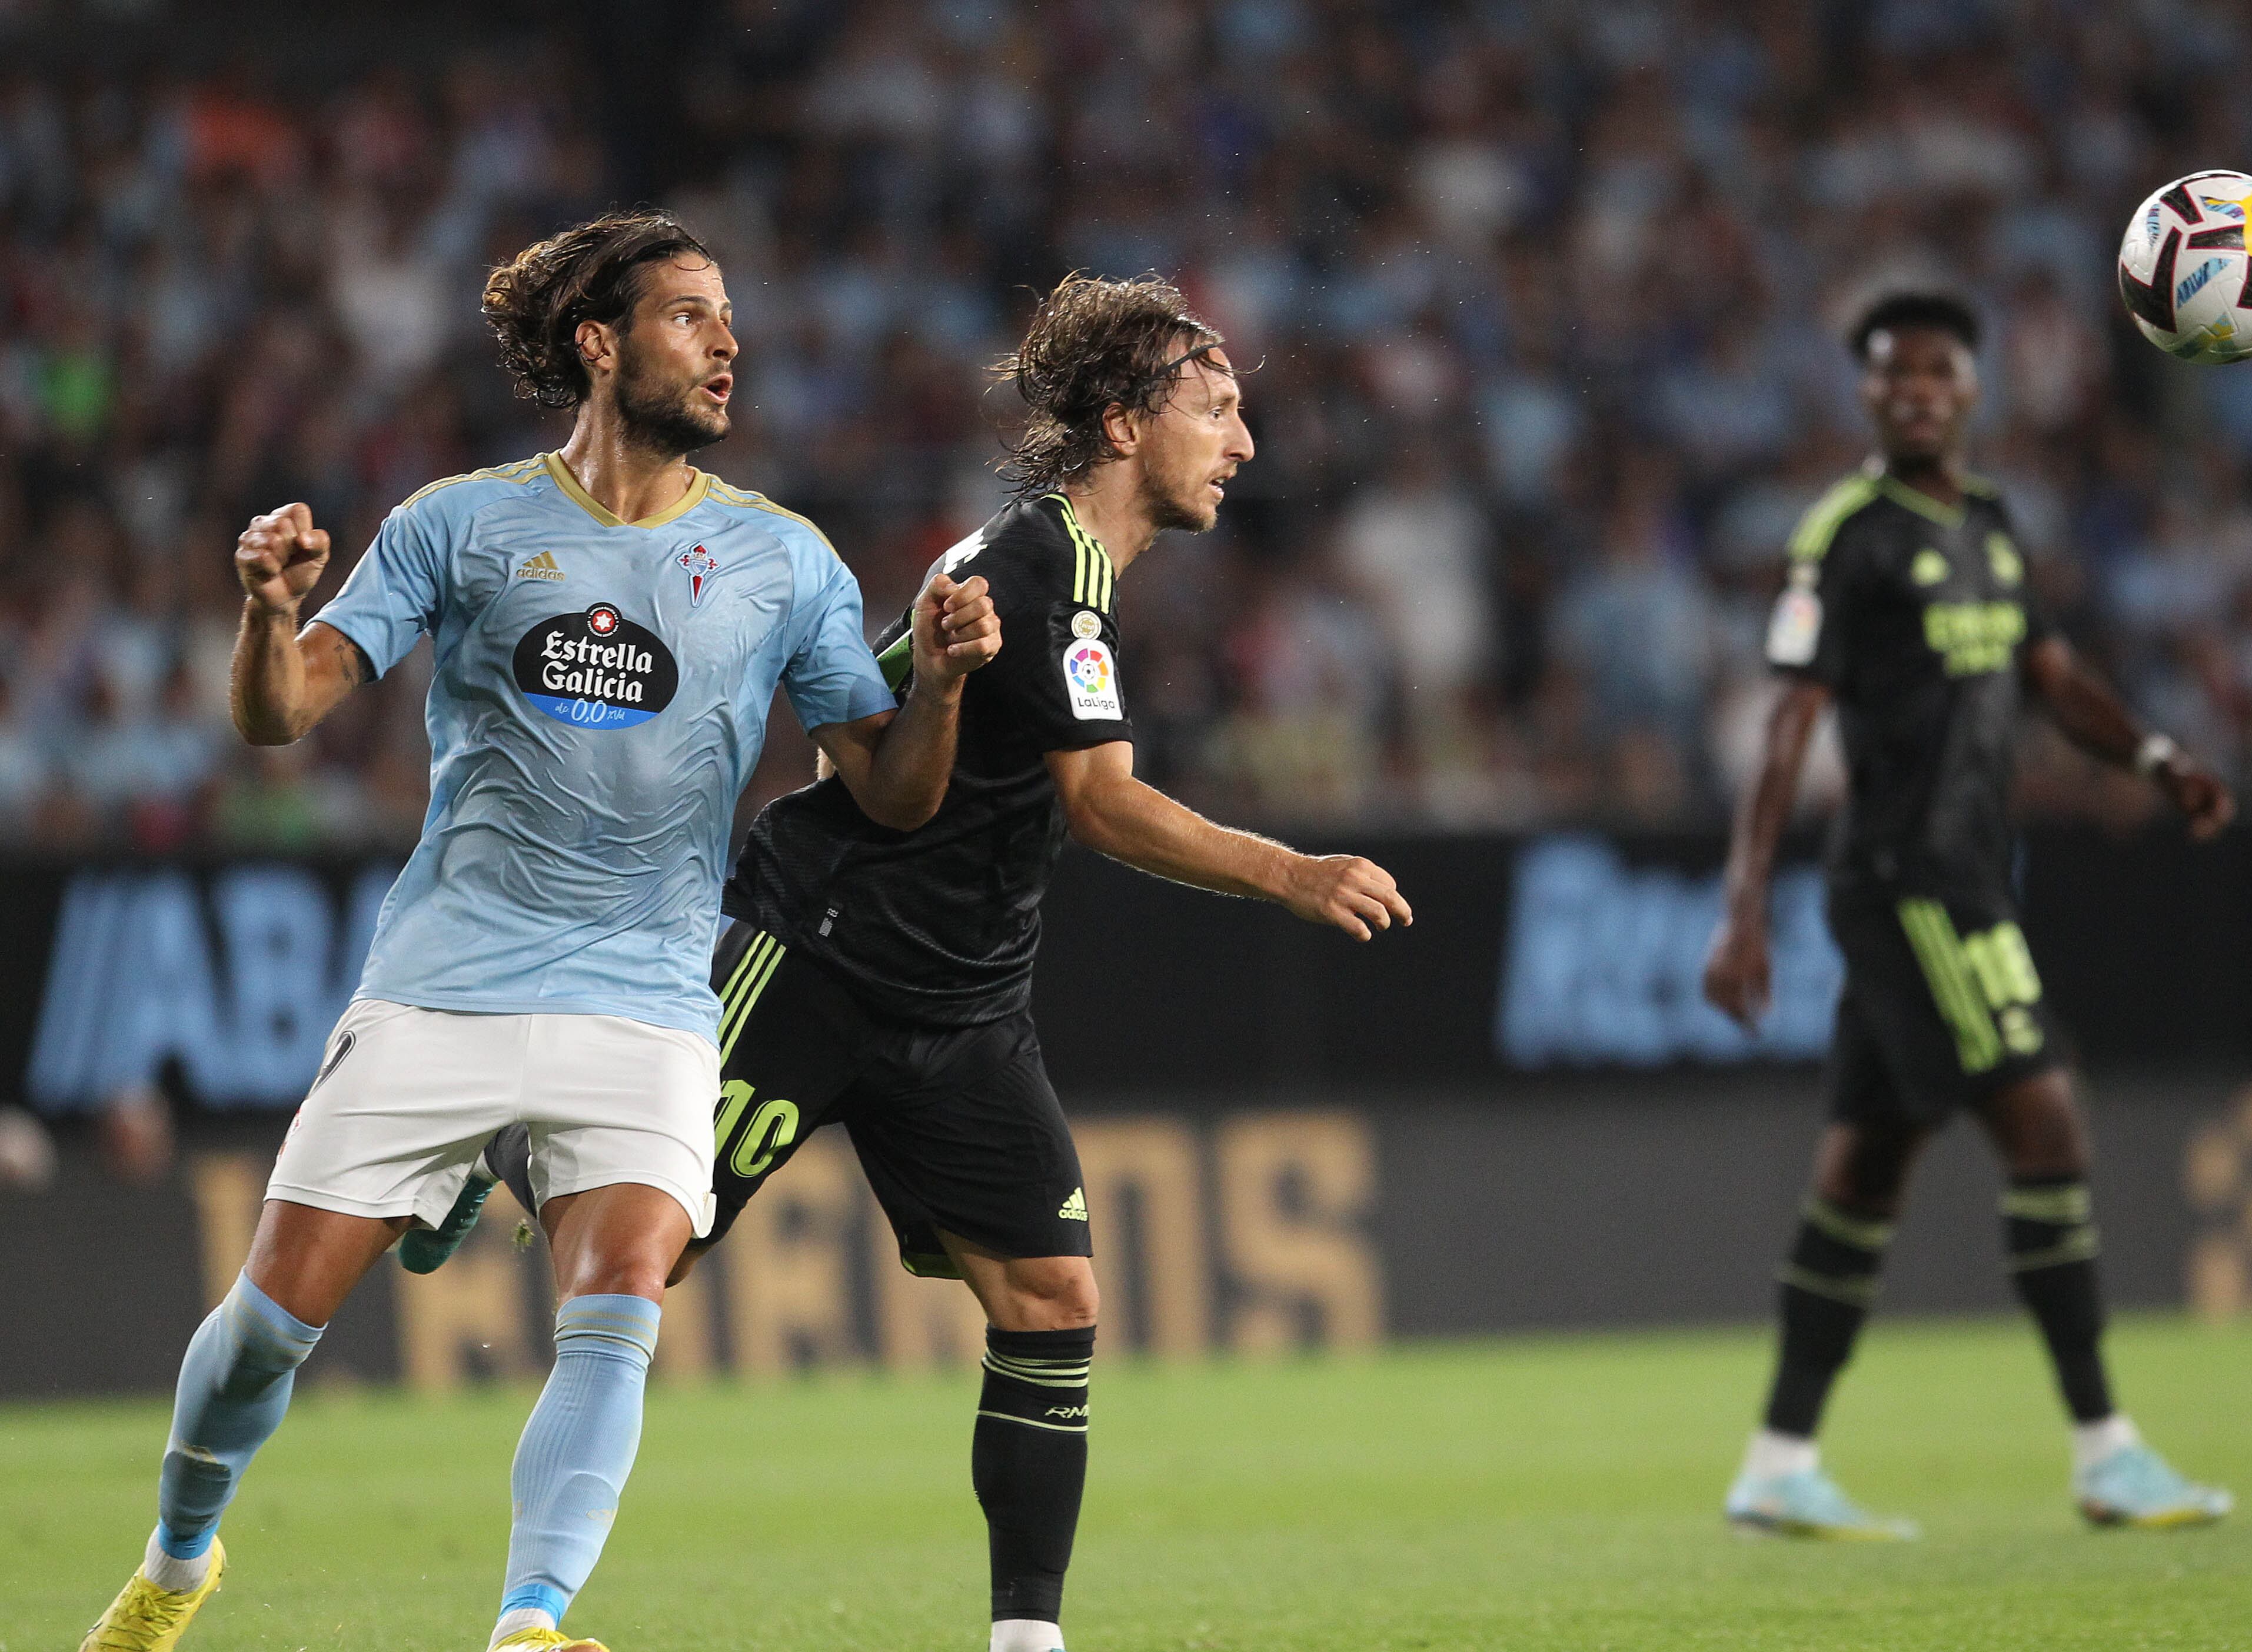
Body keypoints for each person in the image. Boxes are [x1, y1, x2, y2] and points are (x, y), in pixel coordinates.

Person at [417, 271, 1412, 1652]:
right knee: (641, 1255)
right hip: (819, 957)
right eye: (1219, 410)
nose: (1244, 443)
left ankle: (1026, 1638)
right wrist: (1292, 871)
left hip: (963, 1001)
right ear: (1125, 425)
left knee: (1055, 1299)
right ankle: (505, 1144)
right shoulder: (1037, 562)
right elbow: (1104, 803)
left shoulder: (1072, 574)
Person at [79, 211, 1000, 1652]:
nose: (727, 343)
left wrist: (937, 689)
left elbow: (887, 794)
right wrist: (266, 615)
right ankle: (179, 1558)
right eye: (691, 315)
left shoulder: (784, 561)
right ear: (600, 340)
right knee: (270, 1330)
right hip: (446, 984)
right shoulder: (458, 524)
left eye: (728, 320)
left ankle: (530, 1621)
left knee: (623, 1291)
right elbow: (282, 713)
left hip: (642, 999)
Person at [1702, 291, 2236, 1538]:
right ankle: (2107, 1449)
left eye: (1938, 375)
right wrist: (1742, 908)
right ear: (1868, 397)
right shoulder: (1847, 533)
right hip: (1911, 878)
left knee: (1865, 1174)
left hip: (1968, 873)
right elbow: (1790, 722)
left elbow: (2051, 678)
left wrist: (2154, 757)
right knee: (2047, 1121)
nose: (1917, 394)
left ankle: (1778, 1461)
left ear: (1973, 391)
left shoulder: (1994, 525)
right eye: (1894, 378)